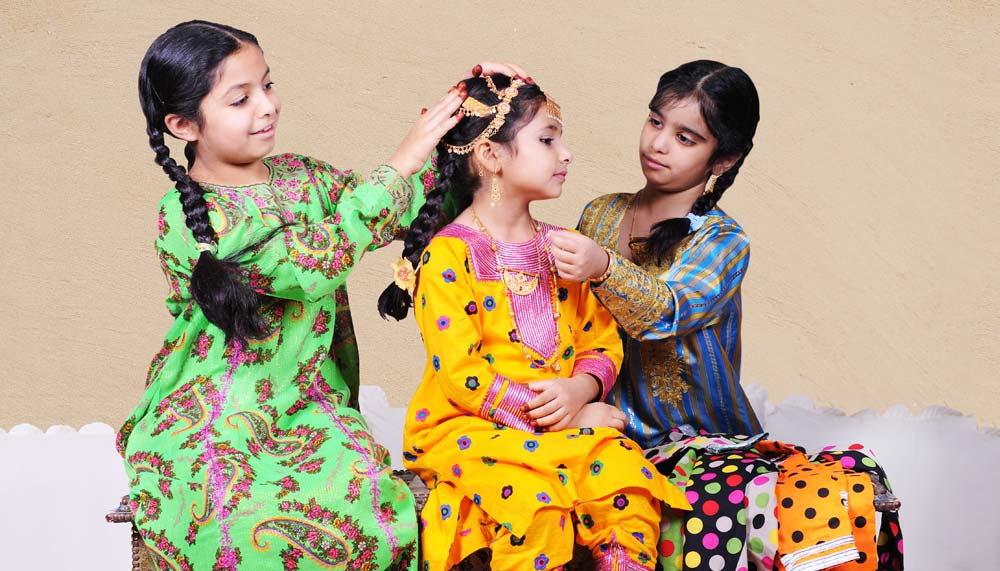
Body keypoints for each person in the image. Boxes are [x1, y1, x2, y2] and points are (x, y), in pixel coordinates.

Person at [117, 20, 466, 570]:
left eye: (268, 84)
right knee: (229, 518)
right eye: (240, 99)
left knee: (362, 505)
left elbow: (397, 210)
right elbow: (311, 263)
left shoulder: (303, 177)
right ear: (183, 125)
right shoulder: (186, 217)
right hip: (208, 413)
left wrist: (472, 113)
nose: (267, 106)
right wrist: (404, 158)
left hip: (308, 402)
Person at [549, 60, 903, 571]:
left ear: (724, 158)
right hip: (600, 431)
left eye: (685, 138)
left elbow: (664, 311)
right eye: (655, 121)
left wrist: (603, 266)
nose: (659, 144)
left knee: (789, 509)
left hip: (701, 443)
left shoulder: (724, 240)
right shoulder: (600, 214)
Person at [379, 74, 690, 571]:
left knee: (625, 483)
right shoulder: (449, 256)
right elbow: (461, 375)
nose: (566, 154)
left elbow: (601, 341)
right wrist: (565, 420)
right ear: (491, 155)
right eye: (547, 140)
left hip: (562, 420)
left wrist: (580, 390)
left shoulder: (565, 249)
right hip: (469, 428)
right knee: (537, 506)